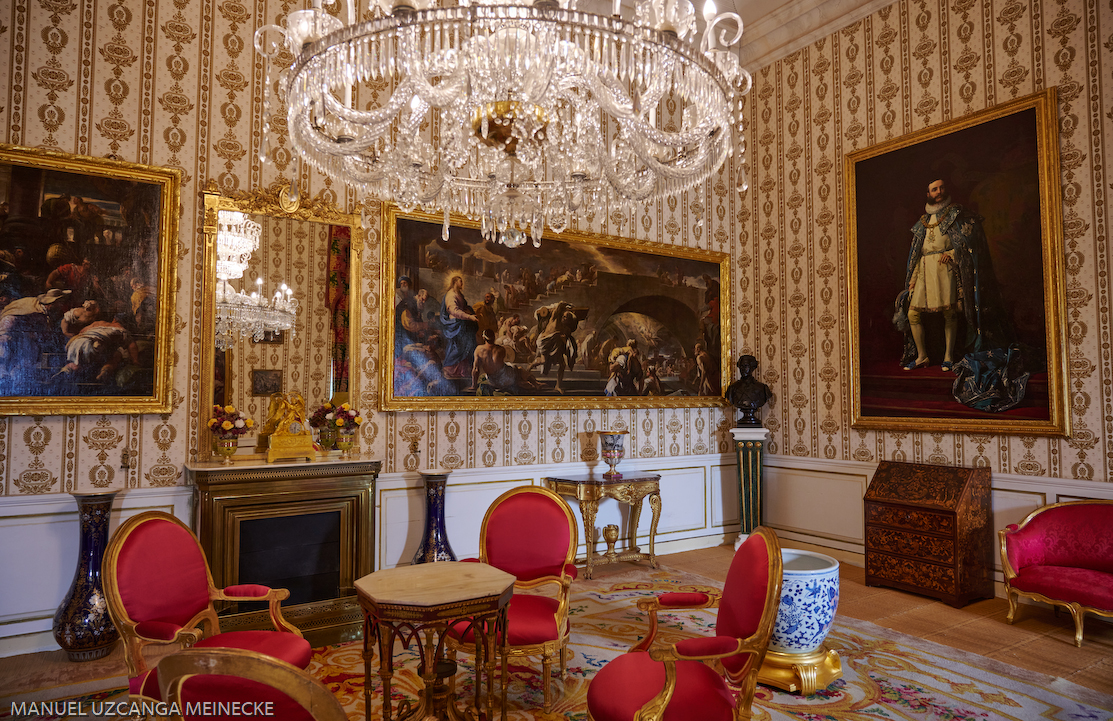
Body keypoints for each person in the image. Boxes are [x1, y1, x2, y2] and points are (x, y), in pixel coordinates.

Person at [894, 177, 1011, 372]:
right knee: (913, 313)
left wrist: (951, 254)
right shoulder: (922, 222)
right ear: (928, 194)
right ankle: (922, 356)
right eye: (934, 189)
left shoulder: (957, 214)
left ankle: (948, 357)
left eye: (941, 188)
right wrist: (913, 279)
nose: (939, 192)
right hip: (924, 270)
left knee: (949, 313)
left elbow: (967, 243)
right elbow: (917, 254)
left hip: (945, 268)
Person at [439, 275, 479, 379]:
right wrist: (469, 317)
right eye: (460, 281)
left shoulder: (459, 294)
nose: (462, 283)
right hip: (456, 325)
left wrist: (469, 311)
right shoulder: (451, 295)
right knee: (458, 347)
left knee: (466, 346)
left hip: (462, 323)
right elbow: (454, 311)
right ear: (455, 282)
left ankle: (462, 370)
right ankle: (449, 369)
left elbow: (463, 307)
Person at [725, 354, 771, 426]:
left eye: (746, 366)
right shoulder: (732, 388)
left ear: (753, 367)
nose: (743, 369)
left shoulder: (762, 388)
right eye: (741, 366)